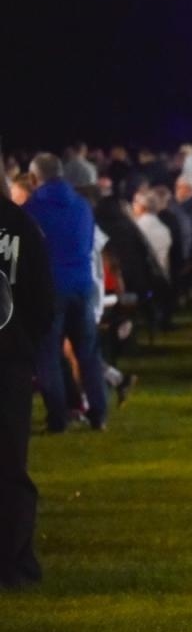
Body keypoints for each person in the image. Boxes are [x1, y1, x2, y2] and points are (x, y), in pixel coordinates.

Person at [23, 153, 108, 432]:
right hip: (82, 286)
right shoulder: (82, 206)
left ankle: (57, 418)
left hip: (50, 289)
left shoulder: (32, 209)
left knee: (49, 355)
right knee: (88, 354)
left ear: (34, 178)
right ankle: (99, 413)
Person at [1, 164, 55, 587]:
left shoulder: (23, 222)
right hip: (10, 360)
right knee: (10, 464)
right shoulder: (22, 224)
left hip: (11, 357)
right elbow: (42, 301)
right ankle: (15, 564)